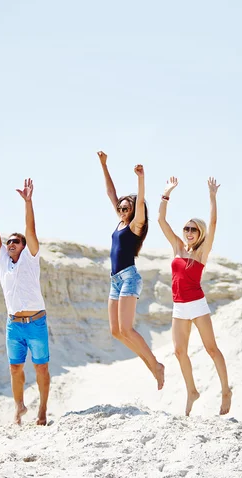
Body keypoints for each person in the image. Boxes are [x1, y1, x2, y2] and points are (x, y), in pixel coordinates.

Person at [0, 179, 50, 425]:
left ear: (24, 247)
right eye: (9, 242)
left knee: (41, 369)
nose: (11, 244)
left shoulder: (31, 258)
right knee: (15, 369)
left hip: (36, 323)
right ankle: (19, 407)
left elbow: (30, 230)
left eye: (16, 241)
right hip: (13, 325)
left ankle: (42, 411)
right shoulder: (3, 261)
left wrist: (28, 202)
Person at [157, 176, 232, 417]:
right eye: (186, 228)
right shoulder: (177, 248)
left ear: (199, 233)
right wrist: (166, 193)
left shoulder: (201, 252)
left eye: (193, 229)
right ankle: (192, 391)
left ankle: (225, 391)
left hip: (197, 305)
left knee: (212, 349)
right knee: (179, 352)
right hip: (179, 307)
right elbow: (160, 220)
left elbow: (214, 221)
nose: (189, 232)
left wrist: (212, 196)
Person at [97, 151, 165, 390]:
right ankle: (151, 364)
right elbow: (110, 193)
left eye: (127, 208)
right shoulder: (119, 222)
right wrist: (104, 165)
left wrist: (141, 178)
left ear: (134, 211)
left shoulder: (136, 226)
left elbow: (140, 204)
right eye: (121, 208)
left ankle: (155, 365)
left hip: (129, 278)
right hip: (114, 280)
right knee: (116, 331)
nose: (122, 210)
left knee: (127, 328)